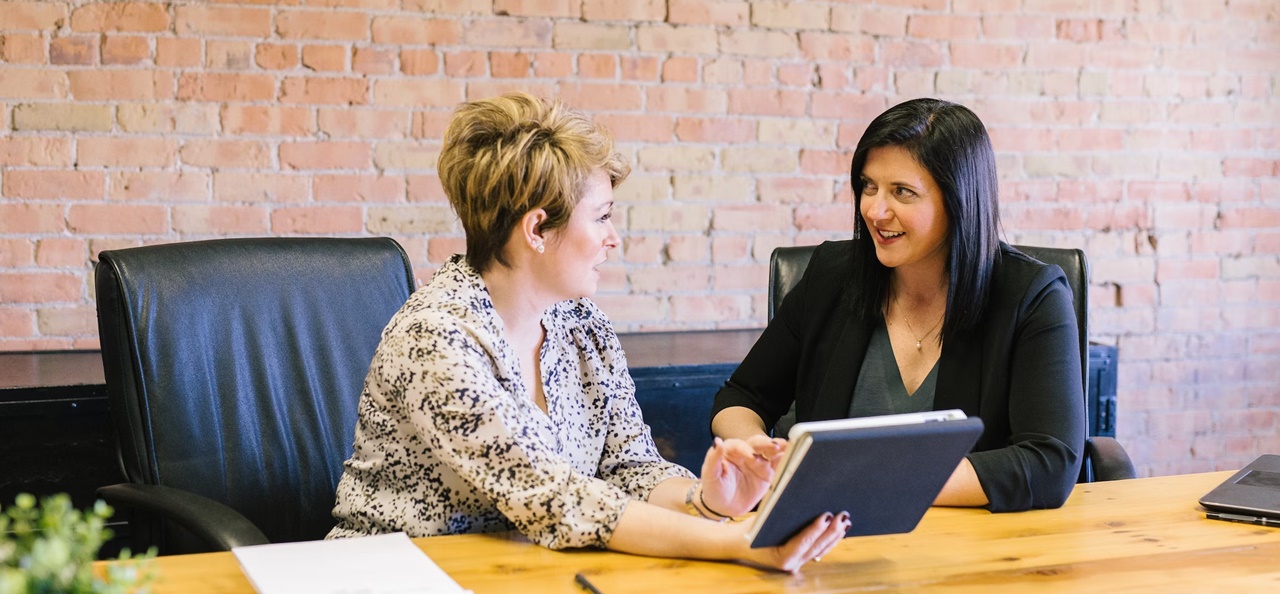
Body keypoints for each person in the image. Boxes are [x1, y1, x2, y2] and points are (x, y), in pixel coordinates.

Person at [327, 92, 848, 571]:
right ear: (537, 229)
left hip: (527, 571)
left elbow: (629, 466)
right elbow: (556, 498)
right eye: (601, 217)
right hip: (397, 573)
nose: (613, 238)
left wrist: (707, 501)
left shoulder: (581, 324)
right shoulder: (436, 338)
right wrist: (739, 542)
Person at [710, 98, 1087, 512]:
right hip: (828, 539)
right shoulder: (832, 275)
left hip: (971, 546)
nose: (875, 210)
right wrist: (755, 451)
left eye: (902, 192)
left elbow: (1049, 462)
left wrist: (865, 481)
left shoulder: (1032, 296)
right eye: (869, 186)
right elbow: (741, 397)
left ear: (959, 200)